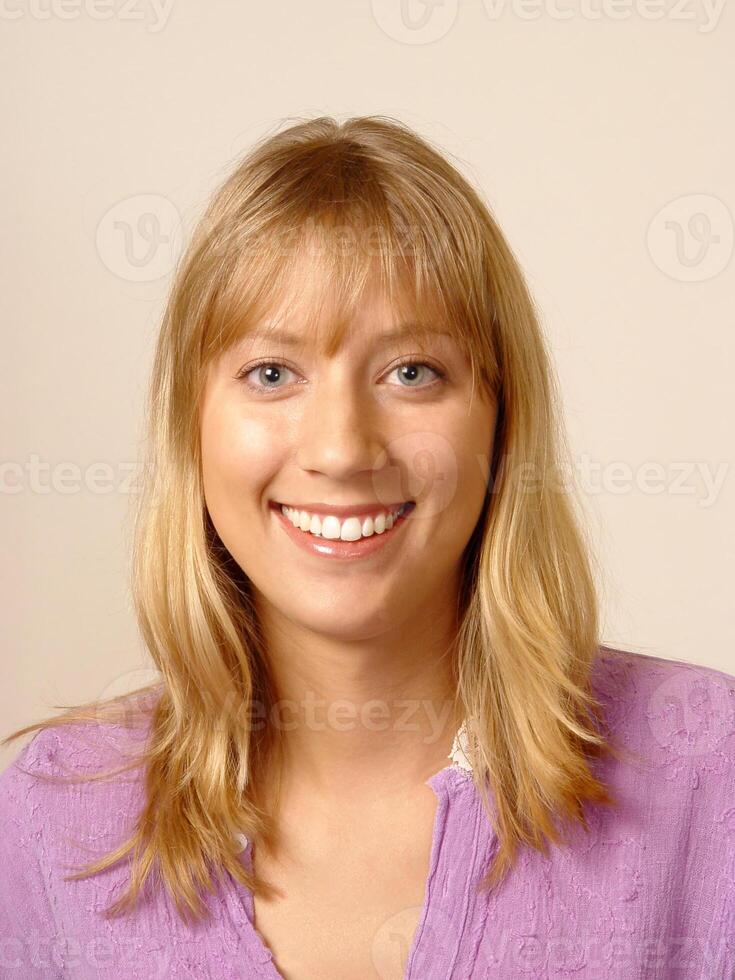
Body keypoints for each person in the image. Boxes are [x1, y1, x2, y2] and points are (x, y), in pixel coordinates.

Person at [1, 114, 733, 980]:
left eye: (411, 372)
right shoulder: (55, 812)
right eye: (271, 374)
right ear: (190, 428)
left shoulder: (705, 766)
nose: (343, 449)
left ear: (501, 425)